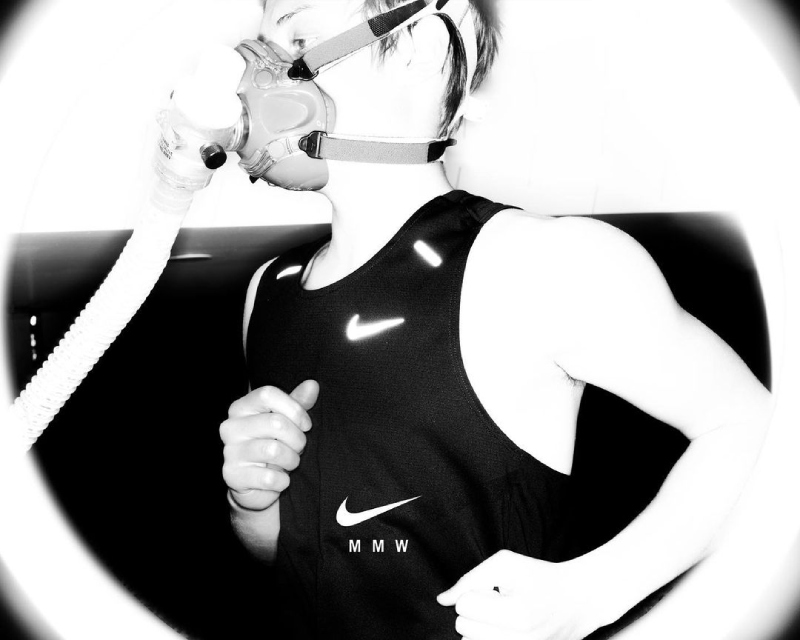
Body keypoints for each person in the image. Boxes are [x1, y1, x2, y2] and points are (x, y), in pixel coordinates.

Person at [218, 1, 772, 638]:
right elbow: (295, 557)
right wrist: (250, 503)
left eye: (298, 39)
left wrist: (591, 593)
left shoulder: (537, 265)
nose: (259, 71)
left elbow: (753, 426)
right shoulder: (269, 289)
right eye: (264, 42)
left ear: (419, 49)